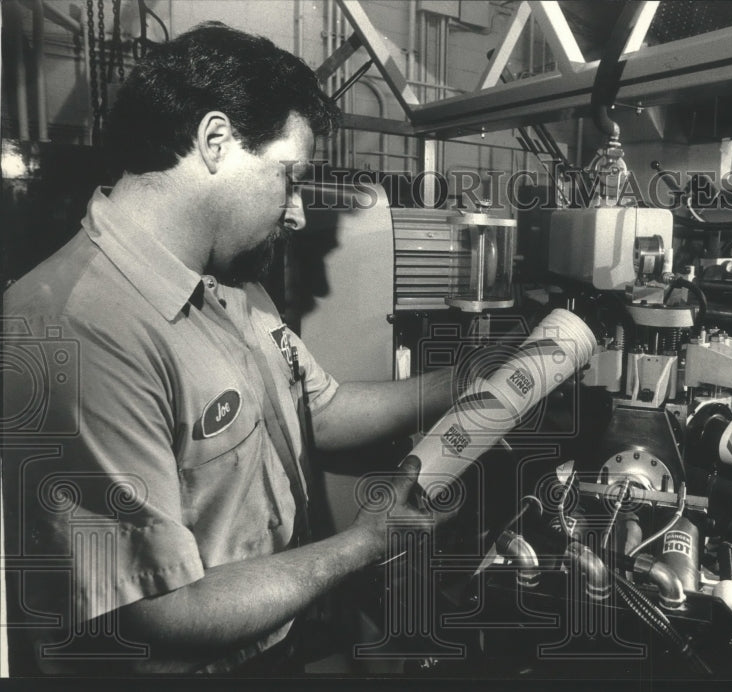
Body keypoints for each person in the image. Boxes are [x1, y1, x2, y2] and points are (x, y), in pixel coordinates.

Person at [2, 22, 455, 674]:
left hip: (276, 641)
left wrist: (464, 383)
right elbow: (166, 612)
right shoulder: (79, 332)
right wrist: (364, 544)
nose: (297, 213)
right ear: (215, 141)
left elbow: (315, 409)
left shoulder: (229, 278)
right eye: (288, 176)